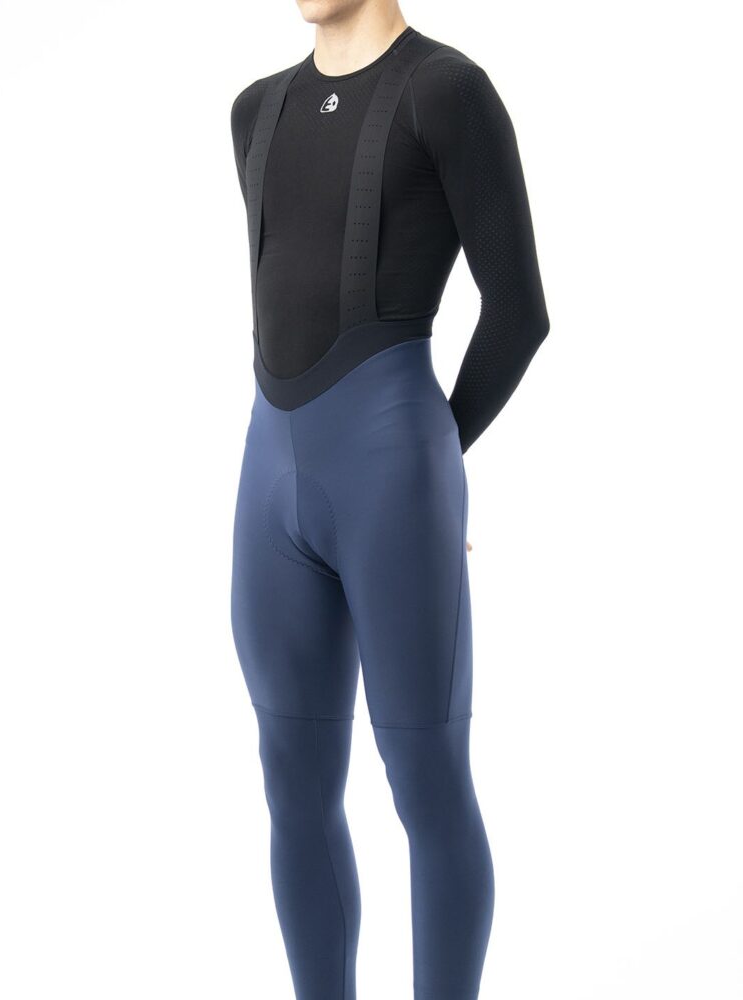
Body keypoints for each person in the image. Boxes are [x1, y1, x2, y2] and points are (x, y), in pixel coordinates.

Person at [229, 1, 549, 996]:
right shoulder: (255, 111)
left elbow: (520, 312)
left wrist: (429, 460)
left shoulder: (447, 93)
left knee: (427, 784)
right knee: (292, 785)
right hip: (267, 478)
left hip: (392, 471)